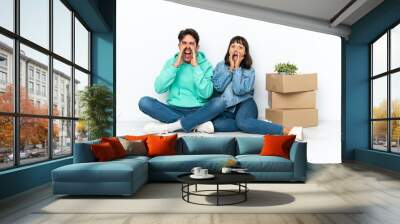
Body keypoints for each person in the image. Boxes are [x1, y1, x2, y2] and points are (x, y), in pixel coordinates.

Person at [211, 36, 303, 139]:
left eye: (240, 47)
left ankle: (286, 130)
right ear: (229, 50)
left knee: (242, 122)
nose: (236, 49)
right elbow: (218, 87)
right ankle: (255, 124)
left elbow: (238, 90)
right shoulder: (220, 66)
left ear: (245, 53)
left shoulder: (249, 71)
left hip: (246, 103)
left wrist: (237, 68)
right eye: (233, 46)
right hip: (228, 108)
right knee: (216, 124)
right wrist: (230, 68)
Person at [138, 28, 219, 133]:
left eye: (191, 44)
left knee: (219, 103)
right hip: (173, 110)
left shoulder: (205, 65)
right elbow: (159, 88)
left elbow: (206, 94)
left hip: (198, 111)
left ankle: (170, 127)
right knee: (144, 102)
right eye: (184, 43)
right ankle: (195, 125)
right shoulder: (171, 62)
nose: (187, 47)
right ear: (179, 46)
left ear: (197, 47)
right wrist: (175, 66)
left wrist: (195, 66)